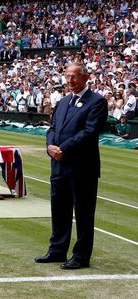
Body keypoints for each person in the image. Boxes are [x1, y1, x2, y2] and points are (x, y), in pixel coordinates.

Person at [36, 63, 106, 270]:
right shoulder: (64, 101)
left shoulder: (97, 101)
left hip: (82, 167)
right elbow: (53, 128)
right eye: (67, 76)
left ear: (86, 77)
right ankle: (57, 250)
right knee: (59, 209)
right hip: (58, 166)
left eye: (74, 76)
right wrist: (50, 146)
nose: (70, 80)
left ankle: (81, 256)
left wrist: (62, 148)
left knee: (83, 213)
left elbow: (90, 132)